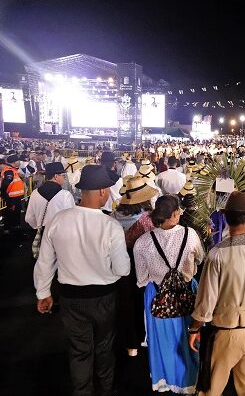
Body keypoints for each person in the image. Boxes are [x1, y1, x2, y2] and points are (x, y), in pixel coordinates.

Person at [33, 164, 131, 396]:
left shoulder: (58, 220)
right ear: (101, 192)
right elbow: (123, 269)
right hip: (103, 297)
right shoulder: (111, 226)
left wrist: (43, 293)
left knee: (79, 350)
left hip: (70, 298)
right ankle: (105, 389)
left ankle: (82, 392)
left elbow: (45, 262)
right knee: (104, 347)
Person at [187, 191, 245, 396]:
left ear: (226, 219)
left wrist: (194, 329)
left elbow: (206, 303)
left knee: (209, 389)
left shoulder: (217, 253)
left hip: (226, 332)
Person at [133, 195, 205, 394]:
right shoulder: (190, 235)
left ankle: (164, 381)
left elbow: (141, 278)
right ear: (175, 213)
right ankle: (189, 381)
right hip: (187, 292)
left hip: (157, 296)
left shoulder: (143, 242)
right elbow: (199, 259)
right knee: (188, 337)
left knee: (162, 341)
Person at [112, 175, 158, 357]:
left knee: (125, 303)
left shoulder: (113, 218)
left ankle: (131, 344)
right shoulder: (148, 220)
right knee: (143, 302)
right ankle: (145, 337)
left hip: (120, 266)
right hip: (145, 267)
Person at [25, 162, 75, 231]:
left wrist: (39, 227)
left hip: (42, 232)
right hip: (59, 233)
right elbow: (71, 218)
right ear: (56, 176)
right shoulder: (65, 195)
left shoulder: (35, 193)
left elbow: (29, 218)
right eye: (63, 175)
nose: (65, 178)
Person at [1, 154, 26, 234]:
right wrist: (4, 194)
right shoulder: (9, 171)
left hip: (15, 196)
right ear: (14, 162)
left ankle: (16, 225)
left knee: (16, 212)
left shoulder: (13, 170)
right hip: (11, 197)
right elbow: (5, 184)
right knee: (10, 212)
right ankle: (7, 228)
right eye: (18, 161)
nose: (19, 162)